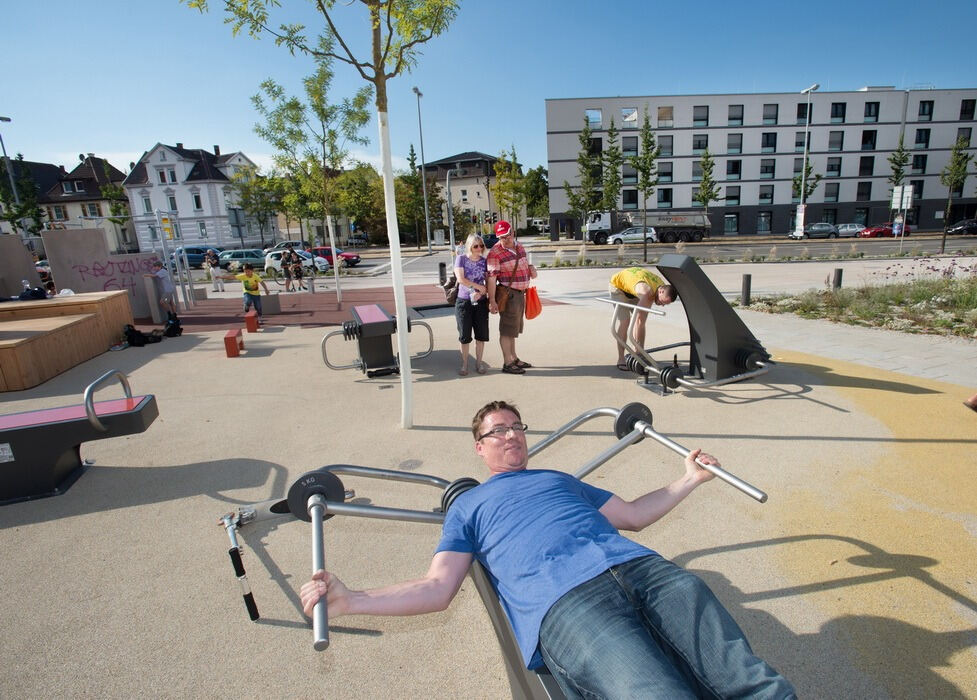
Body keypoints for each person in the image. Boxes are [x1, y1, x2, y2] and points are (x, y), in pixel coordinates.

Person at [300, 400, 794, 698]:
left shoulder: (559, 479)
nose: (511, 434)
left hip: (643, 569)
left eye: (517, 426)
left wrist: (689, 479)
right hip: (566, 603)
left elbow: (636, 515)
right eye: (497, 430)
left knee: (747, 679)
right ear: (479, 447)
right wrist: (352, 600)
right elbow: (436, 587)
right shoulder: (468, 508)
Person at [486, 220, 537, 375]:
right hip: (509, 295)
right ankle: (507, 363)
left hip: (521, 294)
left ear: (513, 232)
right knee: (507, 330)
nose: (506, 239)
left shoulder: (519, 246)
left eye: (508, 235)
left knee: (513, 329)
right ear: (498, 237)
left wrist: (531, 270)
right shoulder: (495, 253)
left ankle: (514, 358)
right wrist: (492, 300)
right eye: (502, 237)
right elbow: (491, 278)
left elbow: (523, 264)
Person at [609, 267, 677, 371]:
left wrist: (638, 353)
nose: (662, 305)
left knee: (641, 321)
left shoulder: (660, 286)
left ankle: (639, 353)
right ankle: (621, 358)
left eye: (665, 304)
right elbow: (639, 321)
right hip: (618, 287)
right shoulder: (647, 293)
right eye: (662, 302)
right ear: (661, 291)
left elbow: (641, 322)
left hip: (633, 290)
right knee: (625, 321)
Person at [453, 233, 490, 376]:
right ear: (469, 246)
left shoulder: (484, 261)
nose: (479, 248)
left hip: (480, 303)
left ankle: (479, 363)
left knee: (481, 335)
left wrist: (481, 293)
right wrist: (477, 288)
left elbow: (488, 283)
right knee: (465, 336)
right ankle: (464, 364)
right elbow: (461, 279)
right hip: (464, 302)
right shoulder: (461, 259)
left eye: (481, 245)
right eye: (475, 246)